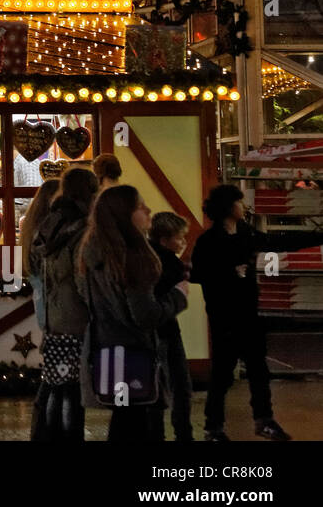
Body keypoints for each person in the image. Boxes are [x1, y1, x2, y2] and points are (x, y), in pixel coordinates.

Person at [190, 184, 323, 441]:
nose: (244, 207)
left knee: (259, 371)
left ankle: (264, 420)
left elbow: (278, 242)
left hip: (249, 315)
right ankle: (213, 427)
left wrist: (318, 237)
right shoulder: (208, 241)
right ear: (229, 207)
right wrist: (230, 272)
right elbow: (198, 275)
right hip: (224, 318)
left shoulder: (245, 233)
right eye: (240, 202)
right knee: (222, 375)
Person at [76, 185, 188, 442]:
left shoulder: (93, 252)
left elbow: (87, 298)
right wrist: (177, 297)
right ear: (124, 214)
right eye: (140, 207)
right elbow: (145, 315)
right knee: (140, 422)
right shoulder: (134, 256)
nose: (148, 211)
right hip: (137, 353)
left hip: (107, 349)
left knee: (124, 420)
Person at [27, 168, 96, 441]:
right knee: (71, 391)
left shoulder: (49, 223)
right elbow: (82, 279)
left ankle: (45, 434)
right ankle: (68, 437)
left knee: (57, 385)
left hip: (56, 316)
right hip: (76, 317)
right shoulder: (79, 228)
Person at [149, 211, 193, 442]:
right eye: (179, 238)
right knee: (178, 385)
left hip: (158, 330)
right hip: (165, 329)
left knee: (158, 389)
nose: (183, 242)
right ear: (165, 240)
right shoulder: (170, 265)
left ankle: (159, 434)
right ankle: (183, 433)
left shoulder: (149, 258)